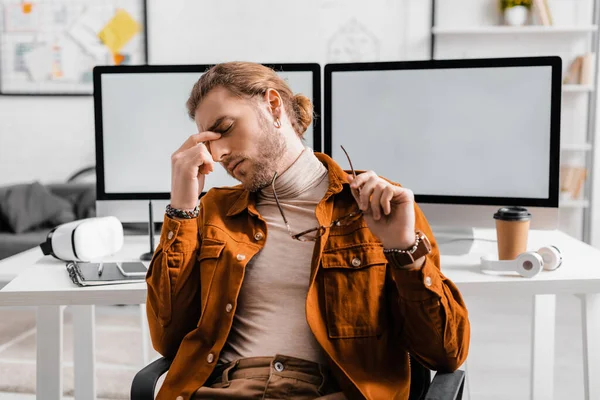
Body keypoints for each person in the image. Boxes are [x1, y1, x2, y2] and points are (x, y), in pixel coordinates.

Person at [146, 61, 470, 400]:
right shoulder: (211, 210)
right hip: (224, 389)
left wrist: (404, 250)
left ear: (273, 106)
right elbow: (167, 338)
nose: (219, 153)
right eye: (208, 142)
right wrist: (182, 209)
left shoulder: (380, 206)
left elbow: (446, 353)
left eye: (225, 128)